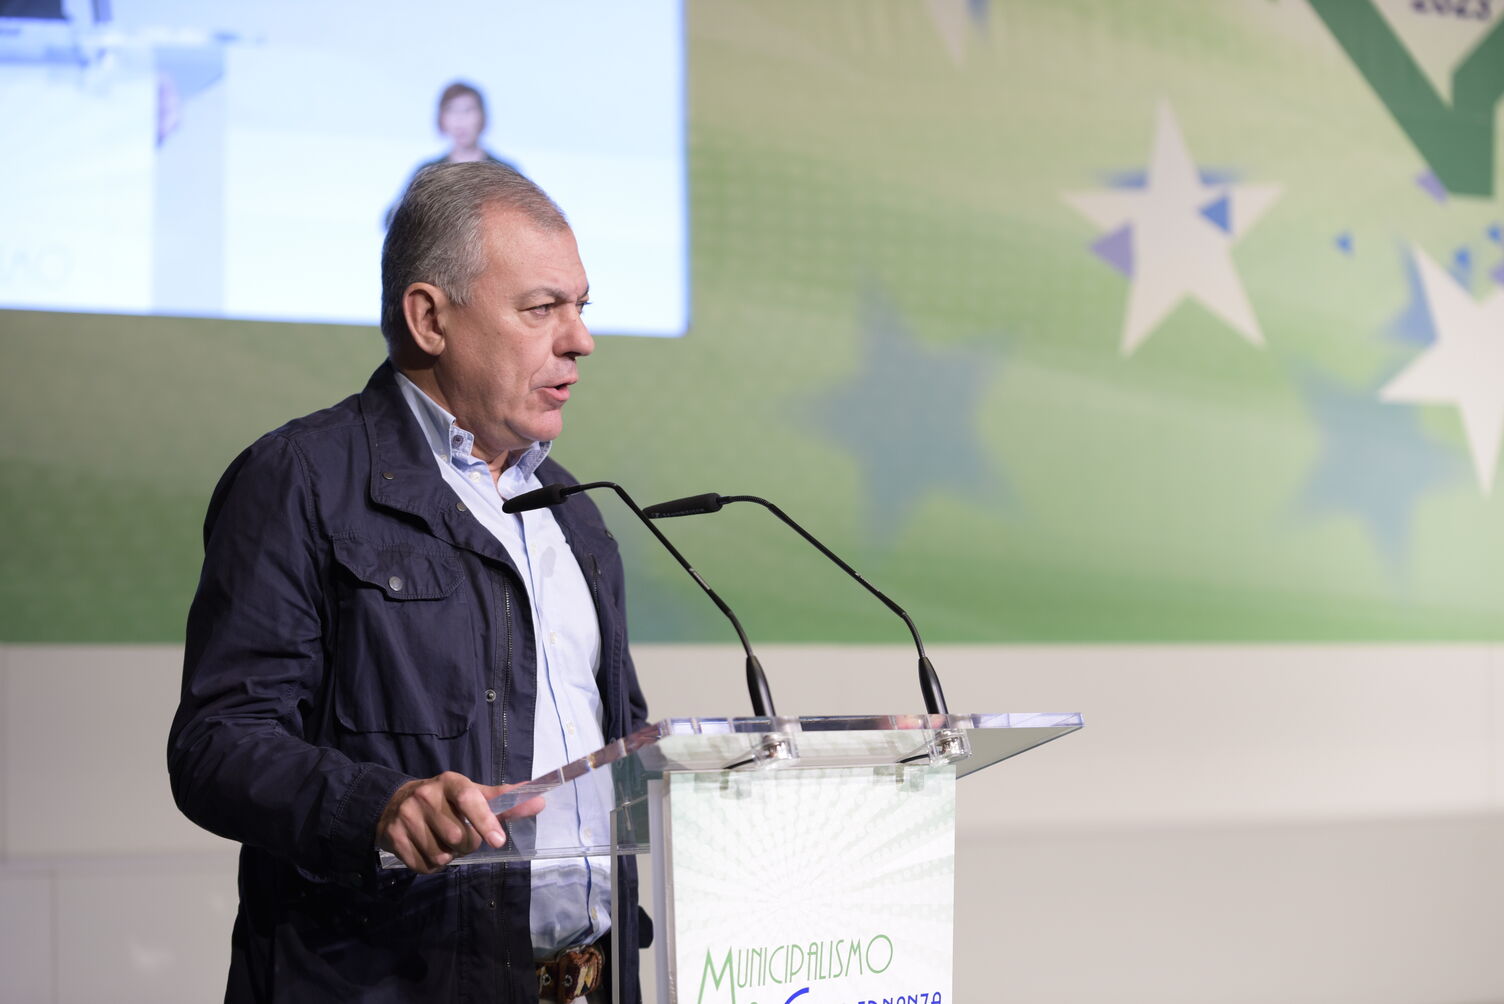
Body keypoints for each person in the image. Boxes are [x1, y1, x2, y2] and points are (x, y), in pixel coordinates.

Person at [169, 161, 649, 1003]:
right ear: (429, 318)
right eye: (542, 308)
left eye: (581, 306)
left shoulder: (574, 512)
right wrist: (380, 805)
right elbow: (217, 745)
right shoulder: (302, 481)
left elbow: (624, 750)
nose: (580, 340)